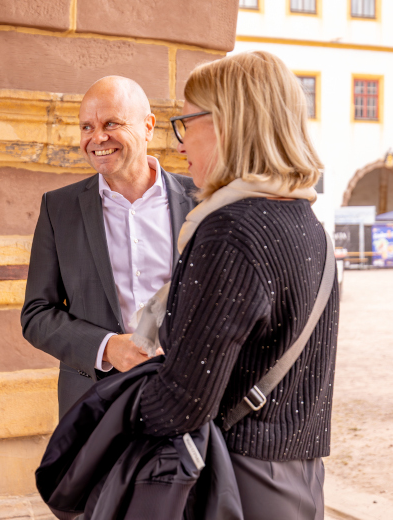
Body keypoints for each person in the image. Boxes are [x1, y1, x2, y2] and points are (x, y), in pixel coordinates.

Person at [137, 51, 337, 519]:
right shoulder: (308, 224)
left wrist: (111, 417)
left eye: (185, 123)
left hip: (236, 482)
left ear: (226, 123)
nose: (180, 145)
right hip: (300, 480)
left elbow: (185, 403)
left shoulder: (231, 231)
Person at [21, 76, 197, 417]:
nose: (97, 138)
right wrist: (107, 347)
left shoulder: (200, 200)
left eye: (111, 124)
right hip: (93, 404)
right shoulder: (59, 208)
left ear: (148, 127)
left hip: (186, 398)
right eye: (87, 127)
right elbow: (36, 315)